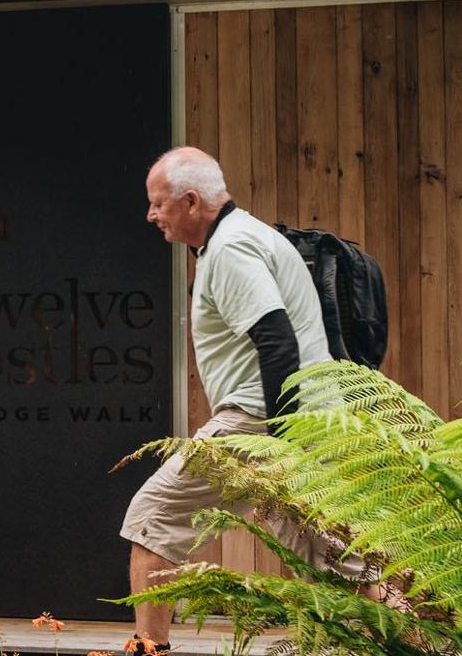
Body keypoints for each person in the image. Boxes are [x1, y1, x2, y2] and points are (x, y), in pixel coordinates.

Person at [120, 147, 372, 655]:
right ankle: (421, 643)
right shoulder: (247, 236)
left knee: (153, 518)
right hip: (306, 416)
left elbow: (276, 340)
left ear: (192, 201)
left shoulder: (232, 247)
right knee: (332, 562)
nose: (150, 215)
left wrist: (279, 440)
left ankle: (150, 649)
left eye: (158, 203)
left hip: (261, 421)